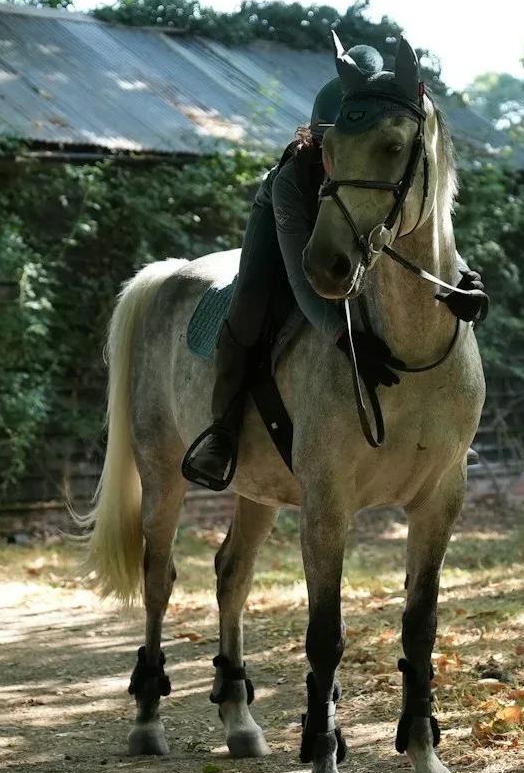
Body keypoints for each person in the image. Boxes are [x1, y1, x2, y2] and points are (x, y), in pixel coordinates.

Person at [180, 41, 487, 490]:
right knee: (250, 307)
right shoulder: (293, 180)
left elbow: (420, 225)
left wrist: (462, 279)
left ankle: (448, 431)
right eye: (331, 150)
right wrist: (343, 338)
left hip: (357, 229)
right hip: (288, 229)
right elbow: (302, 278)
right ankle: (222, 432)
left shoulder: (395, 160)